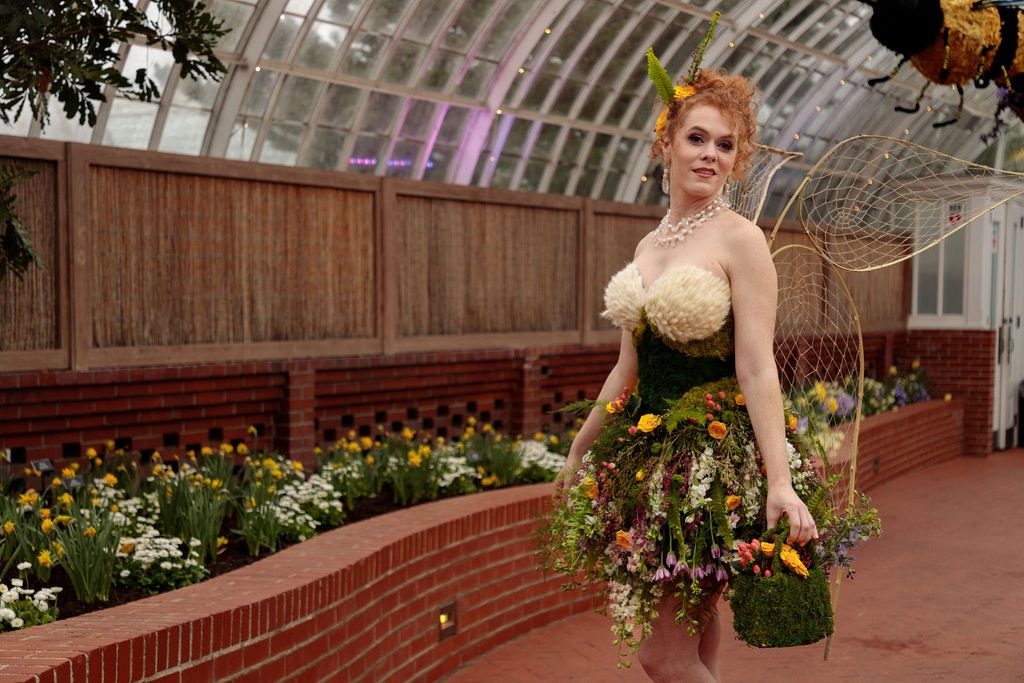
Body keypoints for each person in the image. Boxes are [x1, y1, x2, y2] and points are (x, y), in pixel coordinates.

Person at [552, 67, 819, 682]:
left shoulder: (742, 241)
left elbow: (757, 366)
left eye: (726, 145)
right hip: (651, 456)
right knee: (694, 626)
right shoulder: (650, 244)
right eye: (698, 139)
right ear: (665, 142)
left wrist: (780, 482)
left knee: (660, 655)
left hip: (710, 458)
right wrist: (579, 450)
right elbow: (627, 367)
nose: (711, 156)